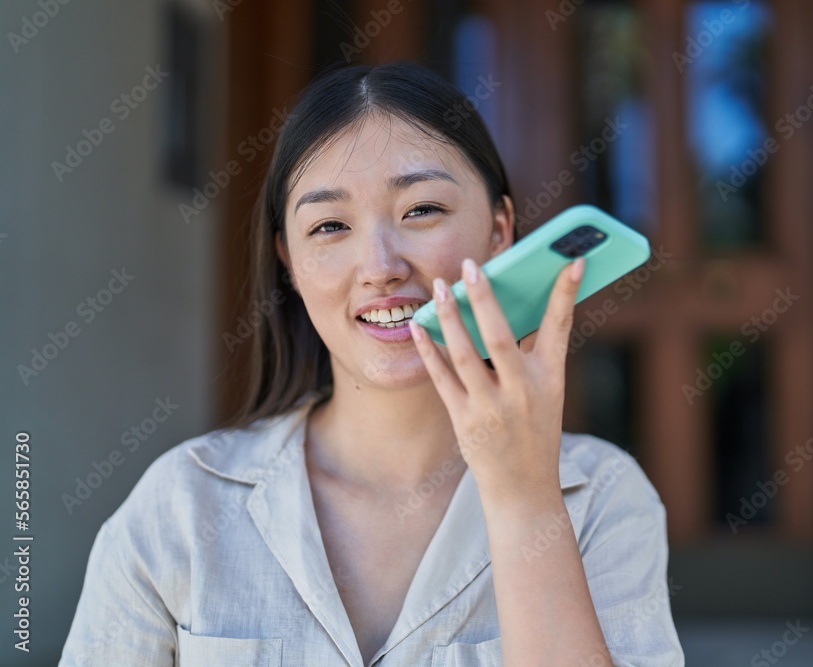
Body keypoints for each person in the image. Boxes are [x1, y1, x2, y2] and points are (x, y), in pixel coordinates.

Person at [59, 61, 684, 666]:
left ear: (499, 232)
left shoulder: (602, 498)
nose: (381, 266)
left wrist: (524, 497)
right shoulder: (180, 506)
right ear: (290, 263)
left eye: (422, 211)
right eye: (330, 226)